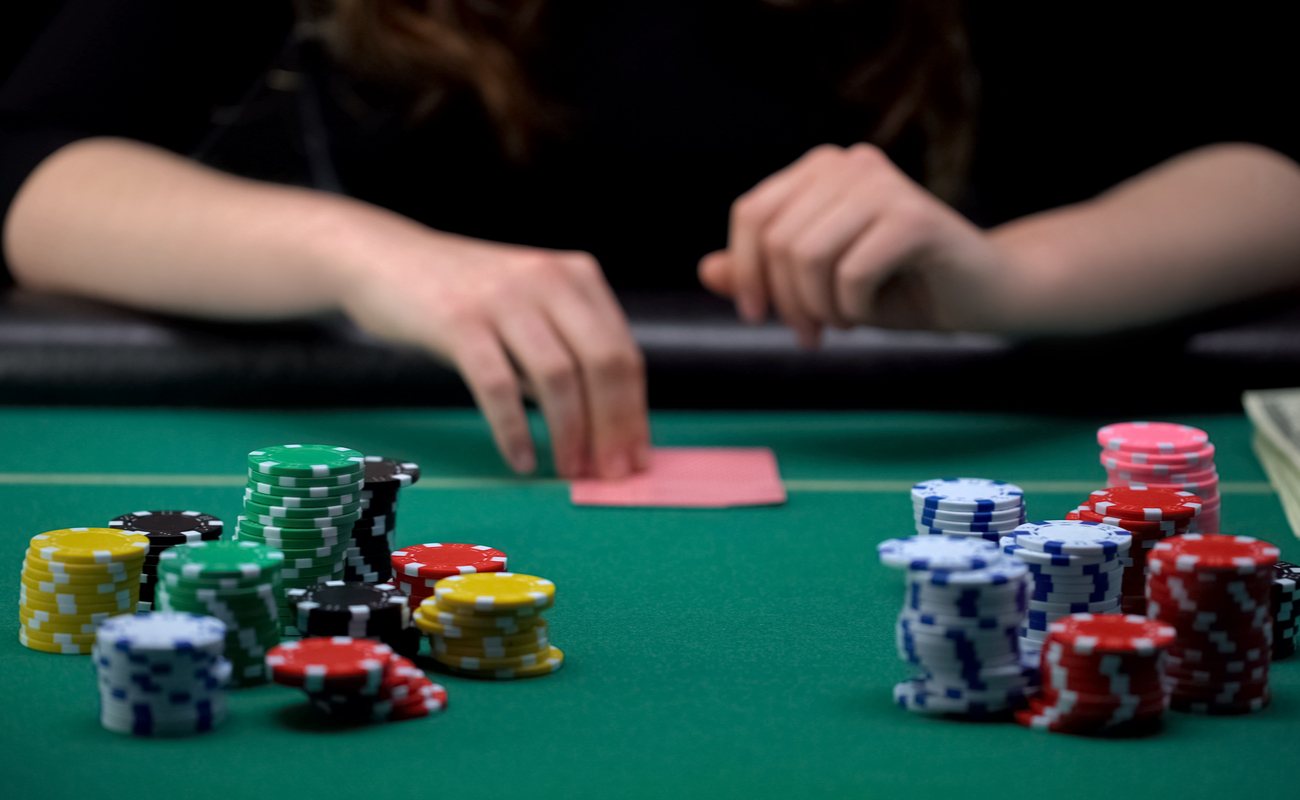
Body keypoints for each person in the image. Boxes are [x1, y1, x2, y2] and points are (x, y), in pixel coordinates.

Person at [3, 2, 1299, 479]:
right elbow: (32, 168)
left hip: (911, 437)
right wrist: (369, 254)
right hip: (449, 439)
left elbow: (1273, 169)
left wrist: (1016, 275)